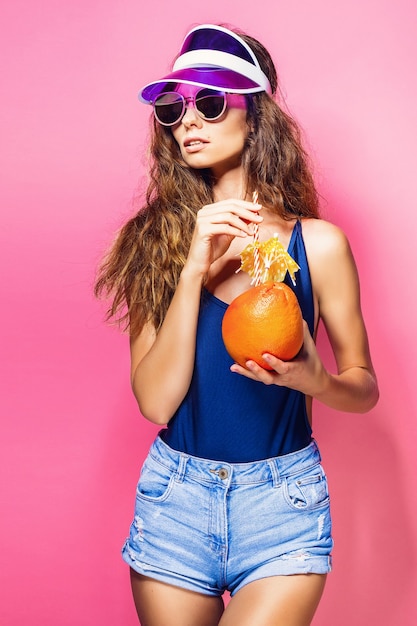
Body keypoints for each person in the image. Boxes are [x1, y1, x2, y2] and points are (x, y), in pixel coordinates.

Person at [95, 23, 379, 626]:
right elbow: (155, 399)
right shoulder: (155, 243)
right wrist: (194, 267)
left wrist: (314, 380)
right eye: (173, 108)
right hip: (176, 499)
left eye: (209, 101)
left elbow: (363, 386)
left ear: (255, 116)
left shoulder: (318, 246)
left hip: (282, 503)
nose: (187, 121)